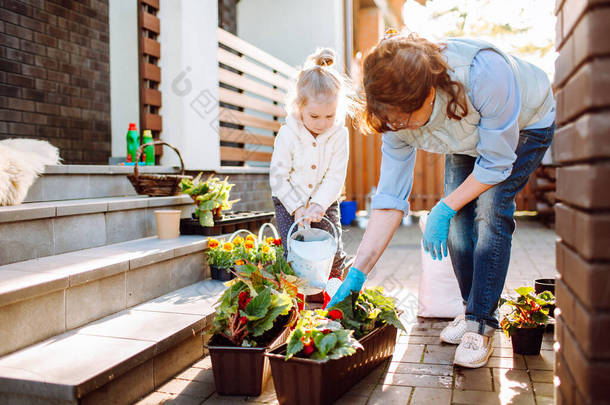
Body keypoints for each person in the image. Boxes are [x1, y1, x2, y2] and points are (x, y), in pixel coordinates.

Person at [327, 31, 555, 368]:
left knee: (491, 208)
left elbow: (496, 165)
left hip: (527, 123)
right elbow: (390, 198)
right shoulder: (394, 115)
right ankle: (471, 309)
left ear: (430, 92)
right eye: (390, 118)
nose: (397, 125)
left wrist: (444, 206)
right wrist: (358, 271)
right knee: (458, 220)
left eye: (404, 117)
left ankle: (481, 324)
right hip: (467, 135)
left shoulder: (484, 75)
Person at [270, 48, 352, 283]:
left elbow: (336, 176)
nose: (322, 123)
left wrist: (318, 204)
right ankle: (295, 299)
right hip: (288, 201)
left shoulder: (339, 135)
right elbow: (278, 176)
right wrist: (297, 207)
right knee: (293, 251)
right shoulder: (288, 134)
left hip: (324, 201)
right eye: (314, 117)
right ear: (299, 108)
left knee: (333, 252)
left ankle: (334, 293)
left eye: (330, 116)